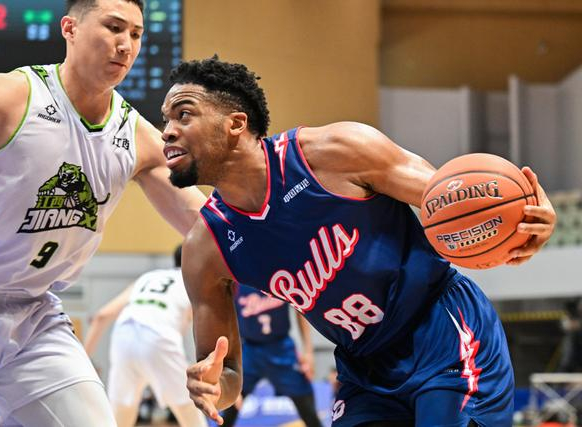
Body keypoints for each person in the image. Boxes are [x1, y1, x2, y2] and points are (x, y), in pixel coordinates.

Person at [159, 57, 558, 426]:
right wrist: (213, 386)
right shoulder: (205, 249)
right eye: (165, 120)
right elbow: (228, 376)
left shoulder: (334, 153)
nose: (167, 131)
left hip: (440, 330)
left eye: (183, 114)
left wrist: (528, 217)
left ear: (235, 124)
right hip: (364, 368)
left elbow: (452, 198)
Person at [0, 1, 206, 425]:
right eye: (114, 27)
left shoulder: (138, 136)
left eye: (136, 34)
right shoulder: (9, 95)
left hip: (33, 316)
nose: (126, 45)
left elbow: (207, 227)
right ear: (70, 28)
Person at [83, 246, 208, 427]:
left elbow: (101, 316)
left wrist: (84, 364)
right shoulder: (194, 284)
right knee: (190, 413)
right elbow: (203, 329)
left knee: (120, 418)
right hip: (159, 337)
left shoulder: (148, 277)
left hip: (123, 335)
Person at [221, 284, 323, 427]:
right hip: (249, 349)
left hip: (281, 348)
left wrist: (308, 351)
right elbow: (225, 321)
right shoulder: (233, 278)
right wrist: (227, 363)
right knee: (230, 404)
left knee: (307, 407)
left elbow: (301, 309)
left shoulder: (281, 274)